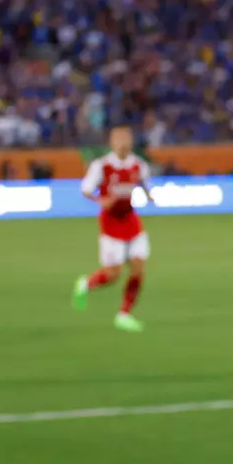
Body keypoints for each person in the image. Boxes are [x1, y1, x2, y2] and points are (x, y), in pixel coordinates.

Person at [72, 126, 153, 332]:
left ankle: (124, 313)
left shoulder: (139, 164)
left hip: (131, 220)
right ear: (112, 142)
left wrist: (148, 194)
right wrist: (101, 200)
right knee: (113, 274)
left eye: (127, 138)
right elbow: (85, 189)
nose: (124, 142)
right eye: (119, 139)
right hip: (111, 223)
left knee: (138, 267)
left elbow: (143, 182)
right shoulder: (102, 165)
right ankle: (85, 284)